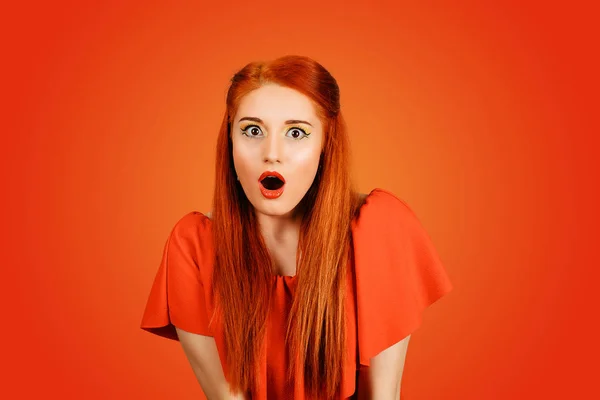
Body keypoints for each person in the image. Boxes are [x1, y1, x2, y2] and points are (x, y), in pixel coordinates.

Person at [140, 55, 453, 400]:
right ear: (229, 140)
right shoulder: (193, 246)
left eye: (296, 132)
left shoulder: (382, 229)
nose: (272, 153)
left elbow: (383, 395)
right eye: (252, 130)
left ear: (325, 144)